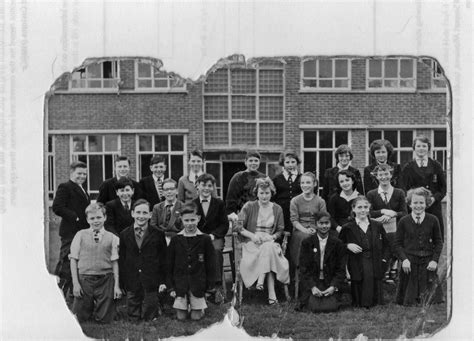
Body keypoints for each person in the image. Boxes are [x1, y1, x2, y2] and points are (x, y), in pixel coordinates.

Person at [236, 177, 290, 305]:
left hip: (269, 242)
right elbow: (238, 226)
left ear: (272, 193)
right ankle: (272, 295)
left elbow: (280, 230)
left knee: (269, 247)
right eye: (261, 193)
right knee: (269, 250)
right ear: (257, 193)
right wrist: (252, 236)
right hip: (252, 243)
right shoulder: (249, 206)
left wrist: (272, 237)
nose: (264, 196)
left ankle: (261, 280)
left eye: (267, 193)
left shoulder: (277, 209)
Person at [69, 203, 122, 323]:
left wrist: (116, 285)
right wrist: (75, 283)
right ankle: (86, 308)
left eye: (99, 217)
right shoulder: (80, 235)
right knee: (79, 318)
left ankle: (104, 309)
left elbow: (115, 262)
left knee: (105, 319)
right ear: (87, 219)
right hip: (85, 279)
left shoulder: (113, 237)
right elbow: (73, 259)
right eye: (92, 218)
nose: (96, 221)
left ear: (105, 217)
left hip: (105, 279)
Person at [119, 199, 168, 321]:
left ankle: (156, 308)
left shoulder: (158, 234)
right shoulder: (124, 234)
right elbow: (123, 259)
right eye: (138, 212)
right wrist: (123, 281)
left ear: (150, 215)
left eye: (145, 213)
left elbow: (163, 259)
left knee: (150, 315)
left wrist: (163, 280)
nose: (141, 216)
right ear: (132, 213)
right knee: (133, 315)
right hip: (132, 278)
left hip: (151, 279)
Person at [394, 187, 443, 306]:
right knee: (409, 300)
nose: (418, 206)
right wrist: (404, 260)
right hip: (410, 262)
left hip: (427, 261)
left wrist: (434, 261)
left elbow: (438, 242)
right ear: (410, 204)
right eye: (415, 202)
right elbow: (397, 244)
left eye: (421, 203)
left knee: (430, 300)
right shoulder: (403, 221)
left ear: (426, 204)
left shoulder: (433, 220)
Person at [167, 202, 216, 321]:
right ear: (181, 220)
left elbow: (211, 264)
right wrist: (171, 287)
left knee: (196, 317)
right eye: (186, 220)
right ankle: (184, 306)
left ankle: (199, 308)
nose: (190, 224)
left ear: (198, 218)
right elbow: (169, 264)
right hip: (180, 283)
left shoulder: (205, 239)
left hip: (198, 283)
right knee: (181, 317)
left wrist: (209, 287)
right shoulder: (175, 240)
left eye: (192, 220)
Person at [339, 196, 390, 308]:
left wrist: (384, 259)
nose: (363, 210)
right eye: (359, 207)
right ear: (353, 209)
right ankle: (360, 302)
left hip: (375, 261)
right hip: (357, 262)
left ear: (369, 208)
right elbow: (338, 246)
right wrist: (347, 245)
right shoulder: (347, 227)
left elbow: (387, 245)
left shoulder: (377, 225)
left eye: (365, 207)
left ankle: (376, 302)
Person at [52, 161, 91, 305]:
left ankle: (68, 298)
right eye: (79, 173)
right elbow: (57, 207)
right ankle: (57, 296)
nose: (82, 176)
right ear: (72, 173)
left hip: (80, 231)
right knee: (66, 264)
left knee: (74, 264)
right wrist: (75, 216)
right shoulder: (66, 187)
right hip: (70, 232)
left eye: (84, 174)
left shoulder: (81, 188)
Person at [366, 164, 407, 283]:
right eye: (380, 175)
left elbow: (404, 213)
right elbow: (369, 212)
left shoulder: (399, 193)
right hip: (378, 228)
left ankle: (393, 268)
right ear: (376, 177)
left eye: (386, 174)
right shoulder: (371, 194)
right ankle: (384, 270)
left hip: (395, 227)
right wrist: (382, 212)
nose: (384, 177)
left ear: (391, 175)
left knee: (394, 240)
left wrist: (393, 213)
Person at [399, 135, 447, 239]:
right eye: (418, 146)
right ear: (414, 148)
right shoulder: (408, 167)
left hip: (433, 208)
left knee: (435, 238)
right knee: (416, 238)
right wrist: (414, 192)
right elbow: (403, 189)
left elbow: (443, 188)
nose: (421, 149)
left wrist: (434, 198)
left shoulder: (436, 165)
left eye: (424, 146)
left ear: (428, 148)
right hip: (415, 208)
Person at [298, 212, 346, 313]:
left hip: (329, 281)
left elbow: (340, 270)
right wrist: (313, 287)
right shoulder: (307, 243)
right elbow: (303, 268)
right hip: (314, 281)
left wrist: (333, 287)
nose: (324, 226)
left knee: (331, 307)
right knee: (314, 307)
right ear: (316, 224)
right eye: (321, 223)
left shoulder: (338, 243)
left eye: (327, 223)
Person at [192, 173, 229, 304]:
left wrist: (213, 235)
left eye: (209, 186)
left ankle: (216, 288)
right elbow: (189, 222)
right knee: (196, 254)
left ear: (213, 188)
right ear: (197, 186)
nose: (206, 188)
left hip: (215, 237)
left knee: (216, 251)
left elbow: (224, 224)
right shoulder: (193, 203)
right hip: (198, 237)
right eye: (203, 185)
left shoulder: (218, 203)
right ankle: (199, 288)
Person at [289, 172, 327, 271]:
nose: (305, 185)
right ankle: (301, 268)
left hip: (317, 230)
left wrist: (316, 229)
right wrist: (305, 230)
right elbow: (294, 220)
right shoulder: (295, 201)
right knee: (305, 238)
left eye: (308, 182)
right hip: (300, 231)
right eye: (302, 183)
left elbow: (323, 219)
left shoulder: (320, 201)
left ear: (314, 184)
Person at [226, 151, 266, 222]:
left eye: (256, 161)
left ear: (259, 162)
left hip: (260, 215)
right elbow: (231, 198)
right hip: (241, 214)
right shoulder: (238, 177)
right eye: (250, 161)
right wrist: (232, 214)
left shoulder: (264, 178)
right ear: (245, 162)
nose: (253, 163)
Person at [271, 150, 303, 233]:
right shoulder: (276, 179)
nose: (290, 165)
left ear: (297, 163)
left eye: (293, 162)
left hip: (298, 213)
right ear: (283, 163)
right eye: (287, 162)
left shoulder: (303, 178)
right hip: (282, 213)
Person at [150, 178, 184, 245]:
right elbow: (153, 226)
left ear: (177, 191)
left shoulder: (183, 207)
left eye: (172, 189)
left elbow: (184, 227)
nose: (169, 192)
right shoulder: (157, 207)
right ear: (162, 193)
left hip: (178, 241)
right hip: (160, 240)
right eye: (166, 190)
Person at [327, 170, 361, 234]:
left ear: (353, 181)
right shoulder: (334, 198)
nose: (345, 183)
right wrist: (338, 228)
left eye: (347, 180)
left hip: (356, 229)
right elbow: (330, 217)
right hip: (338, 229)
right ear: (339, 184)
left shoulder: (359, 198)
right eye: (342, 181)